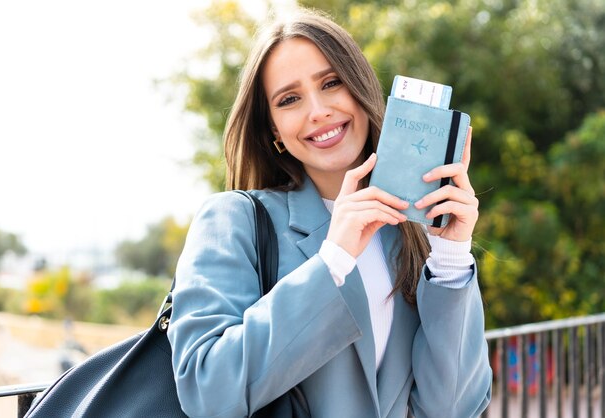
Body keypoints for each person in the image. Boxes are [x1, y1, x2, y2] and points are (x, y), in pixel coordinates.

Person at [168, 8, 492, 418]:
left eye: (331, 83)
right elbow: (206, 389)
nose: (318, 110)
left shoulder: (410, 233)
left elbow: (453, 409)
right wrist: (333, 261)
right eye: (289, 99)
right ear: (273, 131)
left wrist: (450, 257)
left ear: (360, 89)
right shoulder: (232, 221)